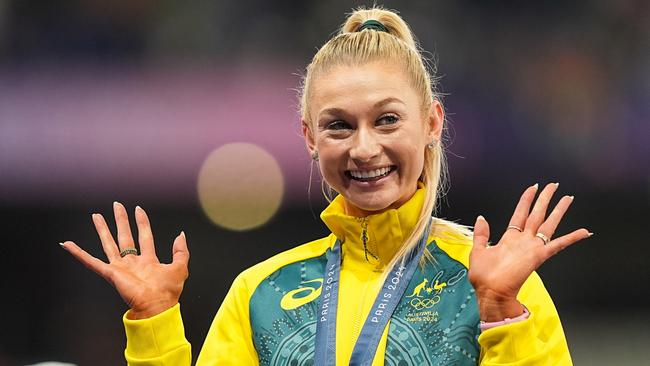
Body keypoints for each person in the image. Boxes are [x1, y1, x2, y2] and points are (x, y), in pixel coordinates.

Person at [61, 6, 591, 366]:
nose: (363, 149)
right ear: (309, 137)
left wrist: (502, 312)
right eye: (339, 125)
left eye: (387, 120)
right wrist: (155, 327)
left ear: (432, 124)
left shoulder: (496, 281)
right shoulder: (259, 293)